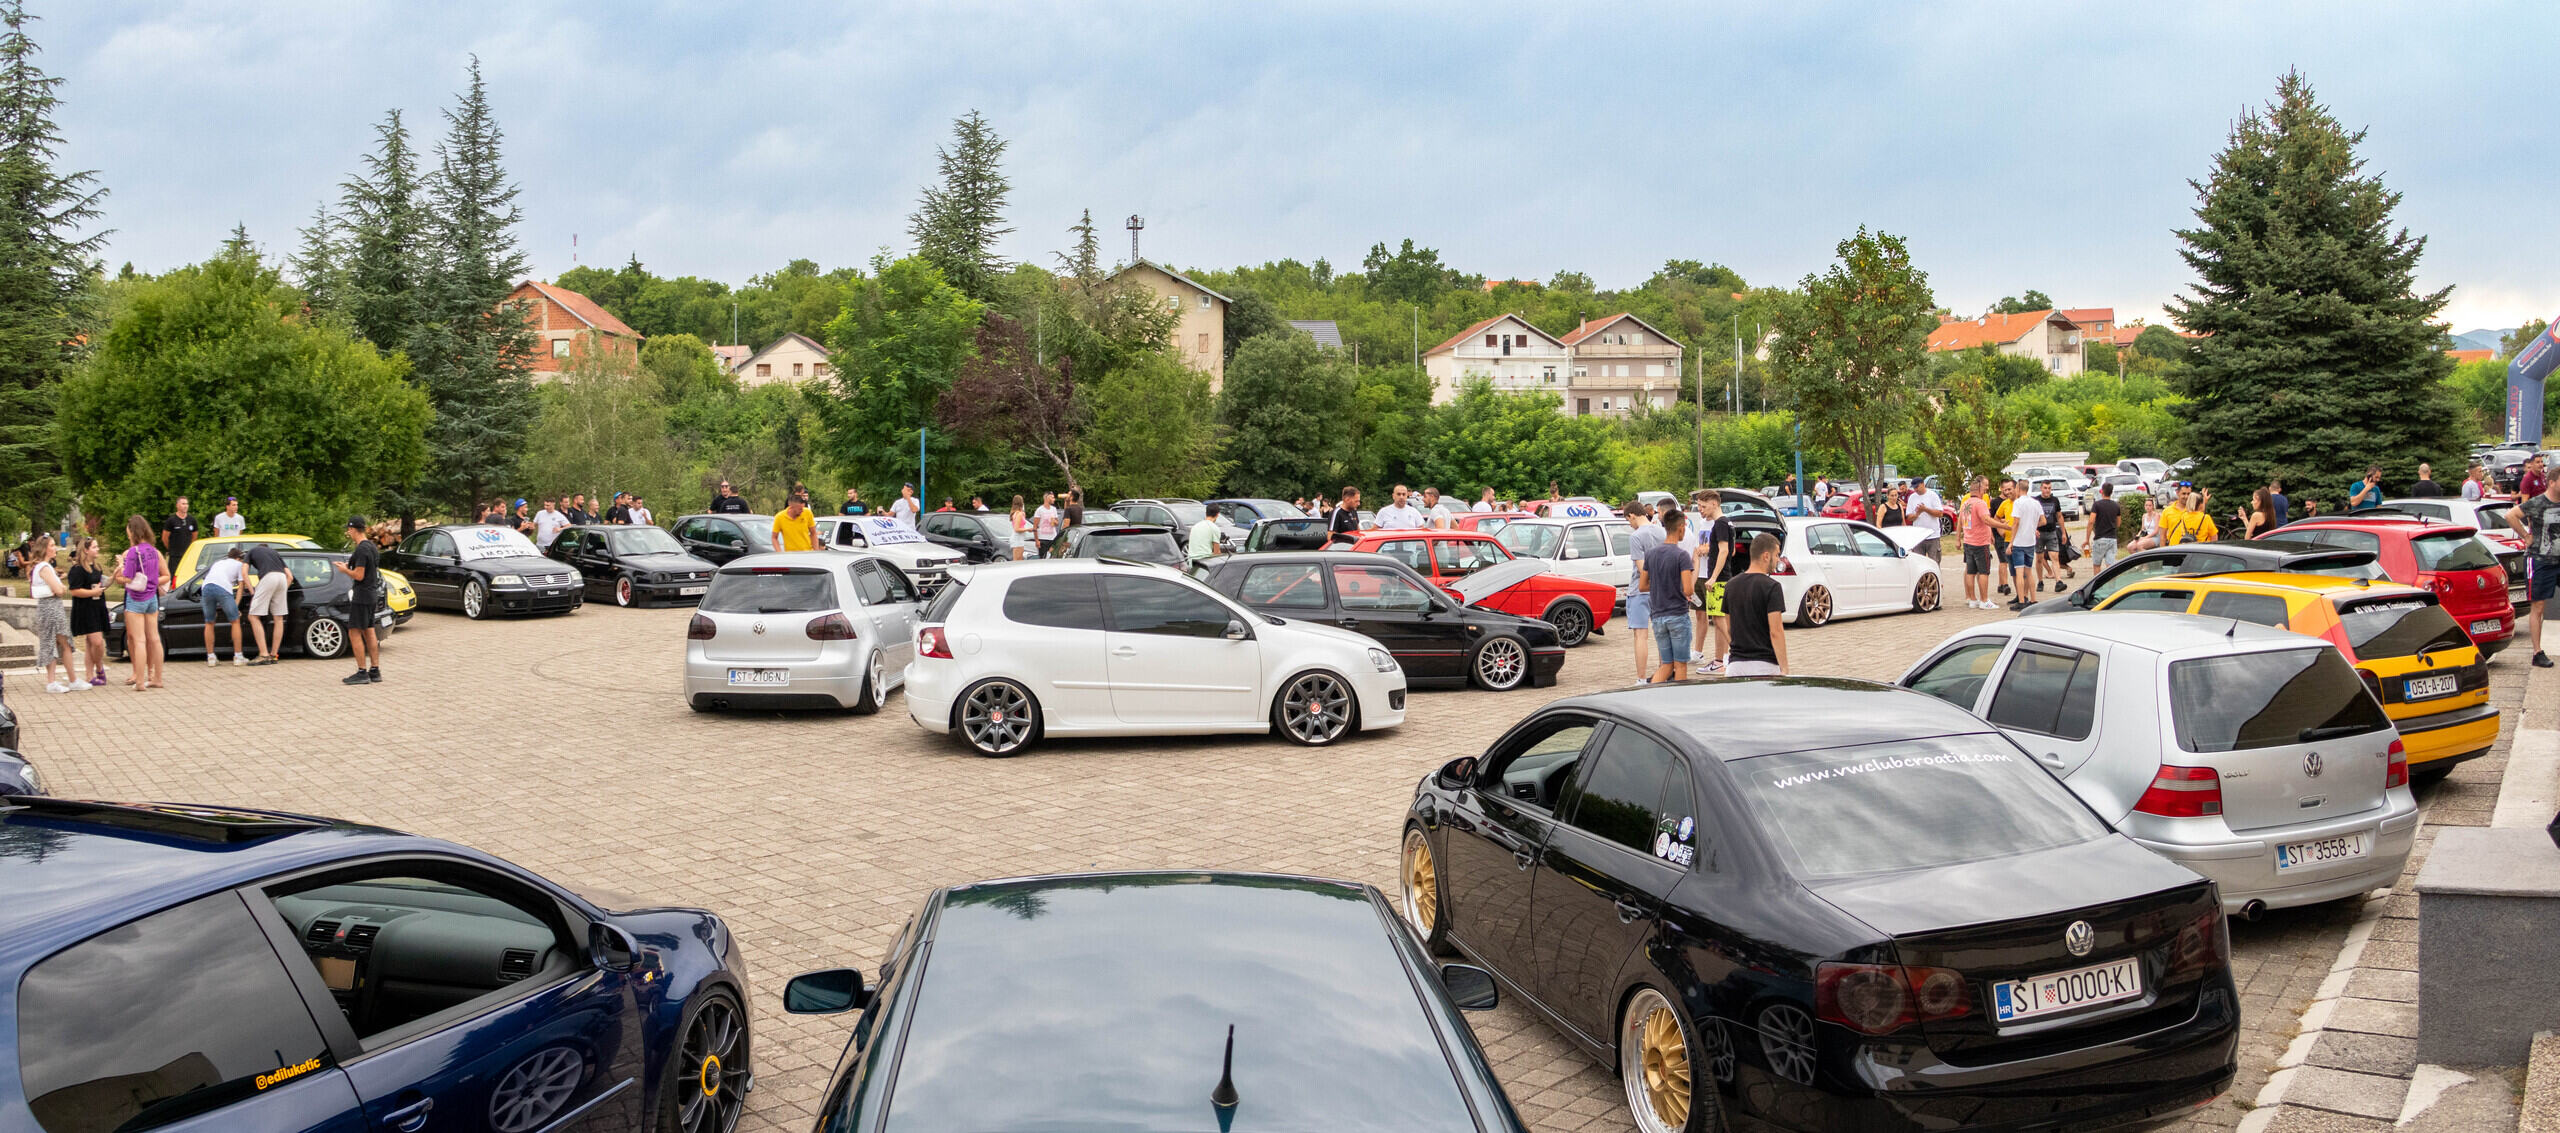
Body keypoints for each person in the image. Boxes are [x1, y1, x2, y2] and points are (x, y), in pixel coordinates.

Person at [2505, 473, 2560, 668]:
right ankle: (2537, 653)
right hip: (2539, 560)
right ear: (2552, 482)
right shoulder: (2537, 503)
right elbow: (2510, 515)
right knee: (2538, 606)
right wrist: (2525, 536)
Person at [1637, 507, 1696, 683]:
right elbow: (1688, 590)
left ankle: (1651, 693)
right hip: (1677, 615)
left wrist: (1660, 585)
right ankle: (1679, 698)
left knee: (1666, 665)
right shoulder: (1682, 555)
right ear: (1681, 528)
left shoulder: (1651, 554)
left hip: (1658, 616)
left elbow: (1642, 586)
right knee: (1681, 665)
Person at [1723, 533, 1789, 677]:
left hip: (1735, 665)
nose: (1778, 559)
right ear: (1766, 556)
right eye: (1776, 555)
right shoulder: (1772, 587)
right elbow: (1776, 631)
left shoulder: (1730, 586)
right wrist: (1784, 668)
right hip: (1764, 665)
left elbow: (1728, 628)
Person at [119, 515, 169, 691]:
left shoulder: (134, 552)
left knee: (139, 640)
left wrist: (120, 571)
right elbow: (159, 574)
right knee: (154, 638)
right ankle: (157, 678)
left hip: (136, 598)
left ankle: (140, 681)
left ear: (133, 531)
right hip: (152, 598)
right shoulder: (154, 551)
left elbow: (128, 577)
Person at [1691, 491, 1737, 672]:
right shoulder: (1725, 523)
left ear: (1714, 504)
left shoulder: (1721, 524)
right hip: (1720, 577)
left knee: (1719, 620)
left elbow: (1725, 551)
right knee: (1718, 620)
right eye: (1699, 506)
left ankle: (1736, 654)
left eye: (1703, 506)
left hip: (1720, 579)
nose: (1701, 509)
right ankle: (1720, 661)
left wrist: (1713, 577)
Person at [334, 517, 381, 684]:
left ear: (353, 529)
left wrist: (345, 571)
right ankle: (375, 670)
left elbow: (359, 575)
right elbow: (366, 569)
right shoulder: (371, 547)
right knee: (369, 631)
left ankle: (362, 672)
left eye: (349, 530)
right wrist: (347, 566)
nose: (348, 533)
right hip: (372, 594)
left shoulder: (362, 549)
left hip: (362, 596)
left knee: (354, 632)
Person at [29, 535, 75, 692]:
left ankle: (58, 680)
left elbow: (59, 588)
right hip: (51, 608)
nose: (55, 548)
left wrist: (59, 588)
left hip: (50, 607)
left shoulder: (43, 567)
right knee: (57, 642)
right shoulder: (44, 567)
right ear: (44, 549)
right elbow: (59, 590)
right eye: (52, 545)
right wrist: (60, 588)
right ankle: (55, 681)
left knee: (56, 642)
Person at [64, 536, 110, 686]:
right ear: (86, 550)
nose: (98, 549)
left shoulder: (97, 567)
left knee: (92, 643)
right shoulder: (77, 569)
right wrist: (92, 593)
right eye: (94, 547)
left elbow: (100, 585)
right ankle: (99, 667)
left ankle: (90, 675)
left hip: (98, 606)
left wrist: (115, 575)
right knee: (97, 642)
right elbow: (74, 590)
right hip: (85, 608)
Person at [1623, 503, 1660, 681]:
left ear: (1632, 515)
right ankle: (1664, 673)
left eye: (1628, 521)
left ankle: (1641, 678)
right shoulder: (1662, 532)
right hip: (1661, 591)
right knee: (1662, 633)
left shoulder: (1636, 536)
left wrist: (1646, 585)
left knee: (1640, 636)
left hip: (1640, 590)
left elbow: (1642, 568)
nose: (1630, 525)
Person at [242, 540, 290, 665]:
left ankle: (263, 654)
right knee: (278, 618)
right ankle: (274, 655)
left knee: (253, 616)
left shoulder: (252, 551)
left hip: (268, 577)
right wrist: (281, 590)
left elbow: (244, 573)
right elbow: (289, 576)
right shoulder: (275, 553)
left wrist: (252, 591)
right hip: (282, 579)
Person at [2002, 482, 2043, 609]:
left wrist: (2011, 542)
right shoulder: (2035, 503)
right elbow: (2043, 520)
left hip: (2019, 542)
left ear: (2018, 488)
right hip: (2030, 541)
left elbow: (2016, 522)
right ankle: (2033, 599)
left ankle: (2021, 600)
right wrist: (2032, 527)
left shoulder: (2018, 503)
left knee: (2019, 572)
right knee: (2029, 572)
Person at [1960, 476, 1996, 609]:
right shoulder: (1980, 503)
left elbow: (1962, 521)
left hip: (1968, 542)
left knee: (1970, 572)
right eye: (1985, 487)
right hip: (1980, 543)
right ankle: (1984, 600)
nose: (1986, 489)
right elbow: (1986, 519)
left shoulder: (1966, 503)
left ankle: (1972, 599)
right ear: (1980, 489)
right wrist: (2003, 526)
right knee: (1983, 572)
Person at [1906, 477, 1948, 566]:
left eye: (1917, 487)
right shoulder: (1912, 498)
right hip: (1918, 537)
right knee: (1918, 564)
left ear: (1923, 484)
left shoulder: (1933, 495)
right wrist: (1917, 514)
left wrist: (1925, 509)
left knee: (1934, 563)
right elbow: (1909, 517)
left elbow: (1940, 513)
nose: (1915, 489)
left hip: (1932, 535)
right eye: (1914, 488)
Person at [2086, 483, 2123, 570]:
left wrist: (2087, 539)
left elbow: (2091, 521)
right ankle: (2111, 579)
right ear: (2111, 492)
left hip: (2100, 538)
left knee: (2097, 565)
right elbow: (2118, 523)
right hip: (2112, 538)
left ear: (2101, 491)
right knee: (2110, 566)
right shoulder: (2116, 505)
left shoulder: (2097, 505)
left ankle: (2097, 579)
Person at [160, 496, 198, 571]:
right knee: (174, 575)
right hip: (175, 556)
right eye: (183, 504)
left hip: (187, 555)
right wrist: (171, 549)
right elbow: (164, 538)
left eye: (187, 504)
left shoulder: (192, 520)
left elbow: (194, 536)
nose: (186, 506)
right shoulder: (171, 520)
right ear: (177, 505)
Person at [1008, 495, 1030, 560]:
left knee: (1019, 559)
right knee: (1017, 560)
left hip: (1020, 538)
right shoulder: (1018, 514)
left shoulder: (1018, 513)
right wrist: (1027, 529)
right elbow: (1016, 529)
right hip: (1017, 539)